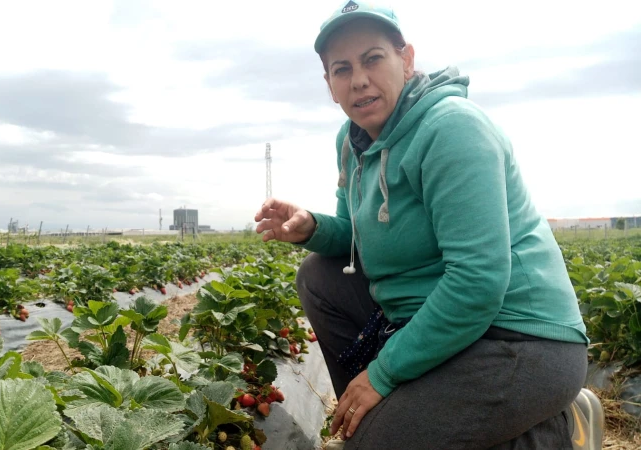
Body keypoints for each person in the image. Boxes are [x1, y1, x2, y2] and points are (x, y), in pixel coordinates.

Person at [253, 1, 590, 449]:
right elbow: (356, 237)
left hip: (518, 335)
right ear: (329, 85)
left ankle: (553, 426)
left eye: (373, 59)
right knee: (319, 276)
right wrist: (312, 227)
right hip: (437, 319)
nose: (358, 80)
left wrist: (386, 371)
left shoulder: (452, 130)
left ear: (406, 60)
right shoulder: (351, 143)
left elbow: (478, 281)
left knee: (376, 445)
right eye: (342, 69)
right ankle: (383, 414)